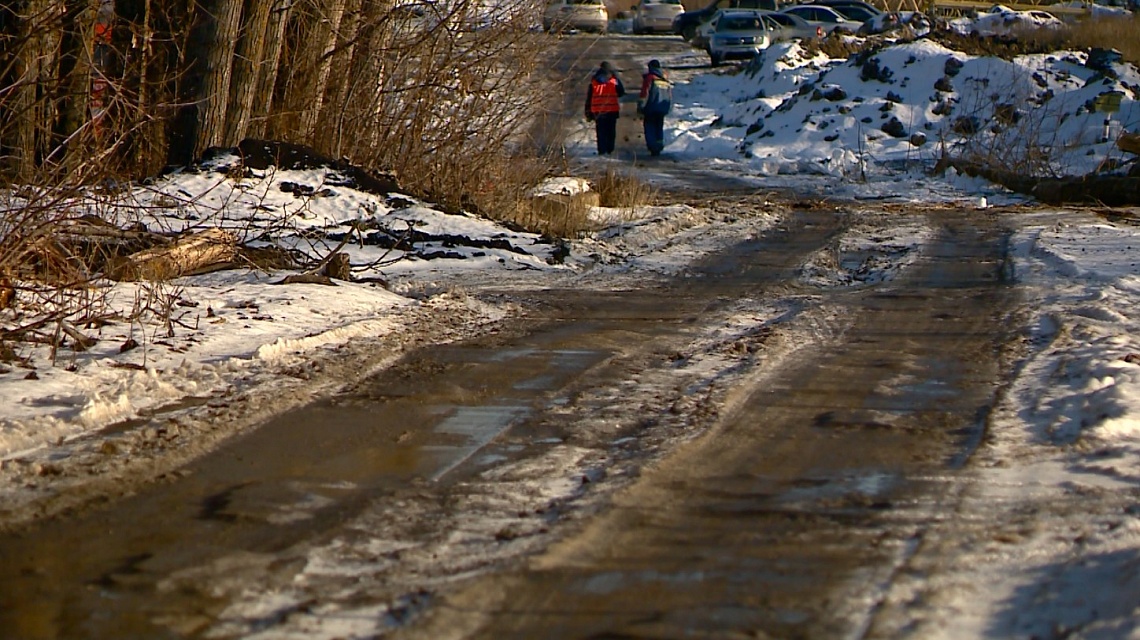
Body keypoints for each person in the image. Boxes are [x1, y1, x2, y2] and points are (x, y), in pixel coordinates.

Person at [584, 61, 625, 156]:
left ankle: (602, 150)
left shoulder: (594, 81)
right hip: (612, 109)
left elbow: (589, 97)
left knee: (601, 131)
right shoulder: (614, 80)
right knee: (611, 130)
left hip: (598, 110)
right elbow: (621, 92)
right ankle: (610, 149)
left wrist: (588, 111)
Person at [637, 59, 673, 157]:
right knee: (658, 127)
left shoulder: (650, 78)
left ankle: (653, 146)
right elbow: (669, 96)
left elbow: (645, 94)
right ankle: (658, 144)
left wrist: (641, 106)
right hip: (662, 108)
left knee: (649, 127)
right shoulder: (665, 80)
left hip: (651, 108)